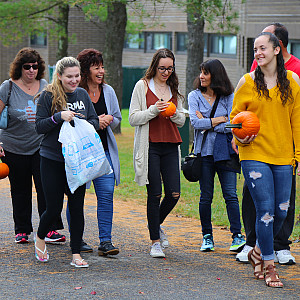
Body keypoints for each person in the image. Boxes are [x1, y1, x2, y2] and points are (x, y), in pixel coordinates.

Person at [231, 32, 300, 288]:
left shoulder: (292, 81)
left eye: (262, 48)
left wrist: (298, 156)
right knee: (266, 211)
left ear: (276, 50)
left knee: (282, 212)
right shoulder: (246, 82)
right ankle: (270, 265)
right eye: (255, 49)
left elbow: (298, 122)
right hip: (254, 154)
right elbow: (235, 119)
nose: (258, 53)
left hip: (283, 155)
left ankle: (257, 251)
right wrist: (241, 139)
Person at [34, 57, 99, 267]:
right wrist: (59, 117)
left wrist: (85, 123)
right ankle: (41, 237)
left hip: (77, 161)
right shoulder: (48, 95)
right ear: (59, 76)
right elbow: (39, 126)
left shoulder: (81, 94)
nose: (74, 80)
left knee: (77, 206)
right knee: (53, 207)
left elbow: (94, 120)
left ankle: (76, 254)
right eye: (69, 76)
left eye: (77, 76)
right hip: (52, 158)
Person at [0, 48, 65, 244]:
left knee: (47, 188)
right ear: (19, 68)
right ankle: (22, 230)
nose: (31, 70)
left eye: (34, 66)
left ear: (40, 68)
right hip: (13, 146)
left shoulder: (46, 86)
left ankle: (50, 229)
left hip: (41, 146)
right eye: (26, 66)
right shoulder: (8, 87)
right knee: (20, 190)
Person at [129, 48, 185, 258]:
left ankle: (155, 223)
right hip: (150, 146)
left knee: (174, 194)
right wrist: (154, 110)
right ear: (154, 66)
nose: (166, 72)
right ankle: (155, 242)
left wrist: (173, 114)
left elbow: (181, 119)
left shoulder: (174, 86)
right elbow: (133, 118)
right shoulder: (142, 86)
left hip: (171, 145)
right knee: (154, 194)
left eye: (170, 68)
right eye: (162, 68)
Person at [66, 48, 121, 256]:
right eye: (96, 67)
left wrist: (109, 120)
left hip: (103, 153)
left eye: (102, 67)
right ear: (85, 69)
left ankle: (105, 242)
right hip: (80, 155)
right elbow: (70, 122)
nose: (101, 71)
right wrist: (96, 123)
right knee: (76, 197)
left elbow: (117, 118)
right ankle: (76, 239)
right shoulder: (75, 93)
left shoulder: (108, 91)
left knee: (106, 195)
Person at [188, 59, 246, 253]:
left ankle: (237, 236)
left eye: (205, 73)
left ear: (216, 75)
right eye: (200, 73)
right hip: (204, 153)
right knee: (206, 196)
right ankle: (207, 237)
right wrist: (218, 119)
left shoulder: (229, 97)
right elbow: (196, 123)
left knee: (230, 194)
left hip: (226, 153)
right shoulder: (194, 96)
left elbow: (232, 123)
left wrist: (210, 121)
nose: (201, 77)